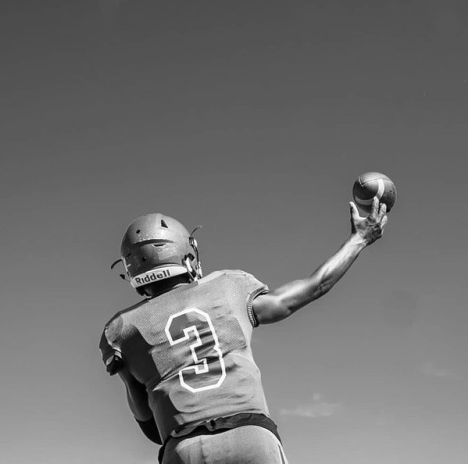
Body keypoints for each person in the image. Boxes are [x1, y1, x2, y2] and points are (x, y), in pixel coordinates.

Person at [100, 198, 388, 464]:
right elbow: (312, 288)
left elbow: (148, 425)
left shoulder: (121, 329)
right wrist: (359, 239)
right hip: (251, 439)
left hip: (184, 446)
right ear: (187, 255)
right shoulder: (228, 286)